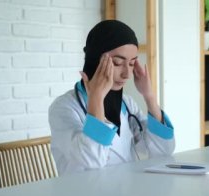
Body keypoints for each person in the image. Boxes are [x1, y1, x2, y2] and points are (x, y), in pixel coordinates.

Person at [48, 20, 175, 175]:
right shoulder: (64, 108)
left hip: (125, 193)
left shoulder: (126, 104)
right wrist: (96, 99)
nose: (127, 74)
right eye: (117, 62)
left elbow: (163, 151)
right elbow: (91, 160)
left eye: (131, 64)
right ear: (95, 60)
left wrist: (149, 96)